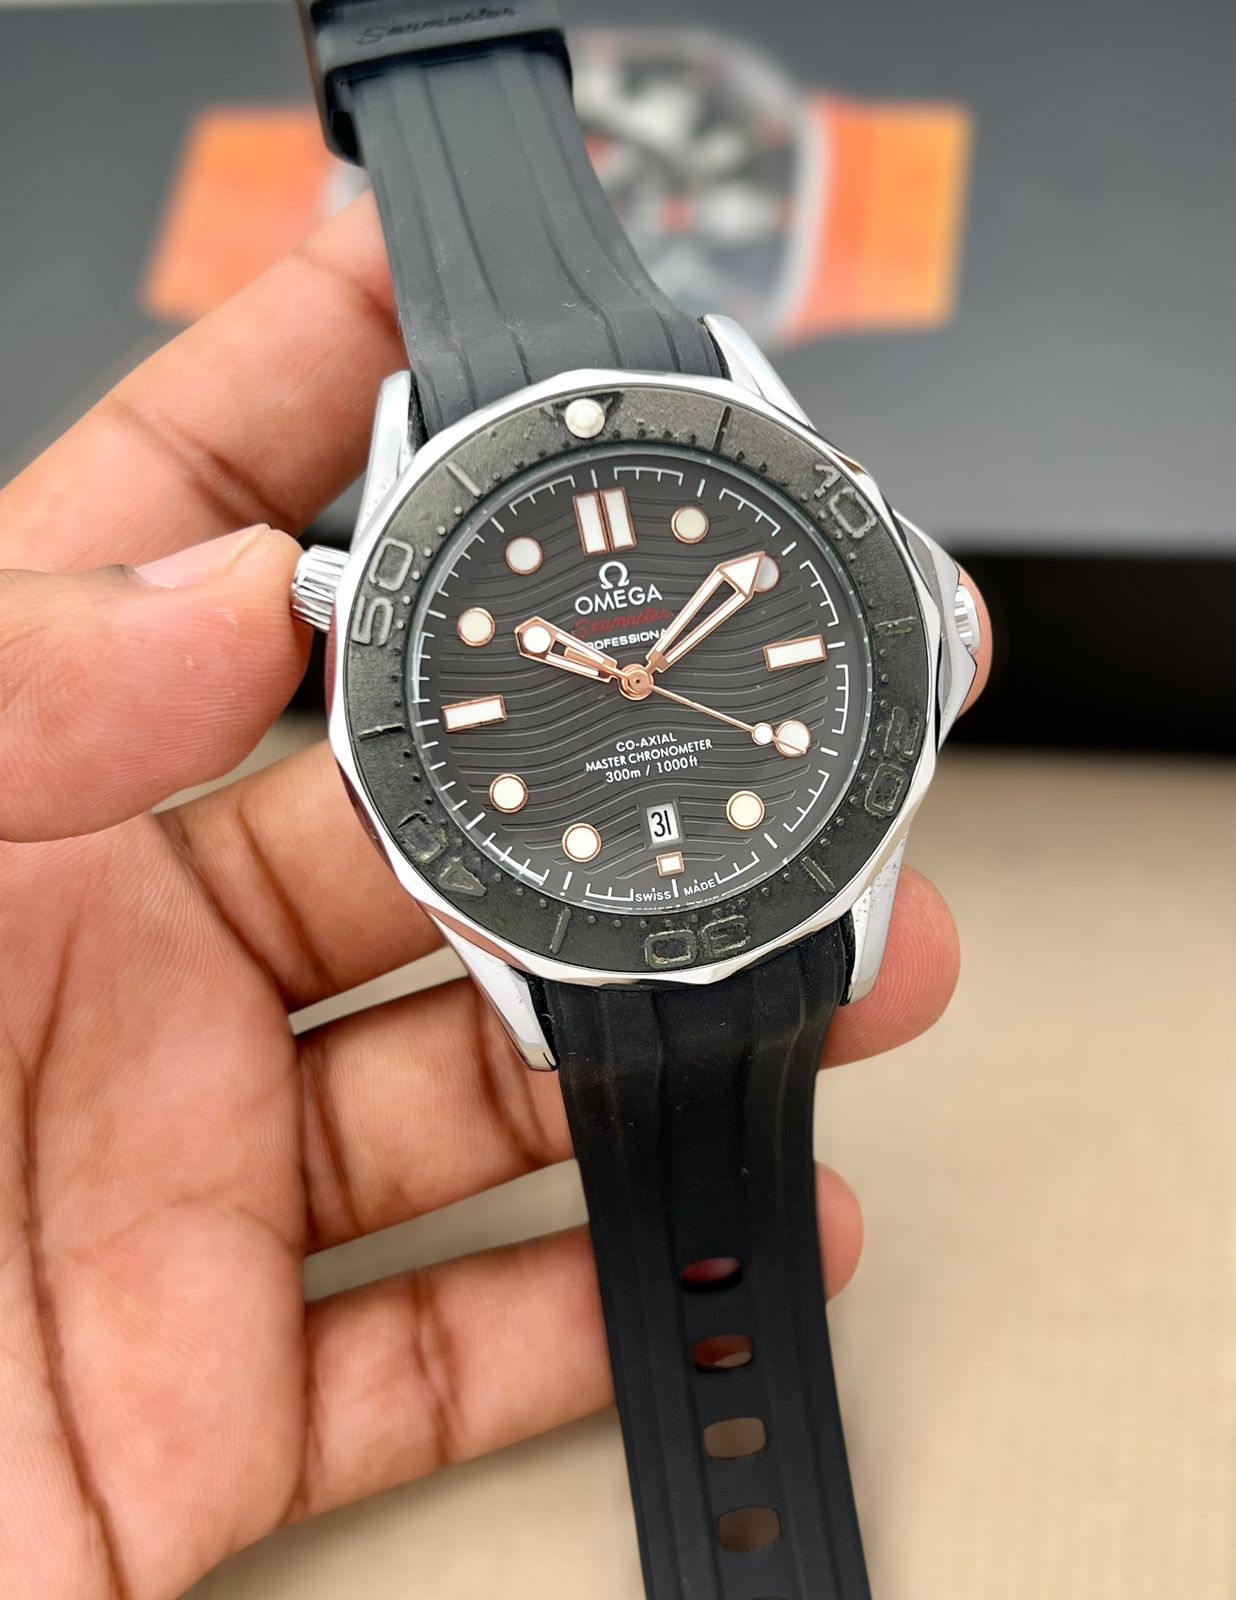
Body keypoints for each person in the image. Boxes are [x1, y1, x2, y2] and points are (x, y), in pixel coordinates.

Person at [0, 195, 991, 1599]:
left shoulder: (723, 413)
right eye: (616, 675)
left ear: (923, 628)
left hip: (756, 886)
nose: (635, 682)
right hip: (619, 901)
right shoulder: (604, 428)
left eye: (642, 673)